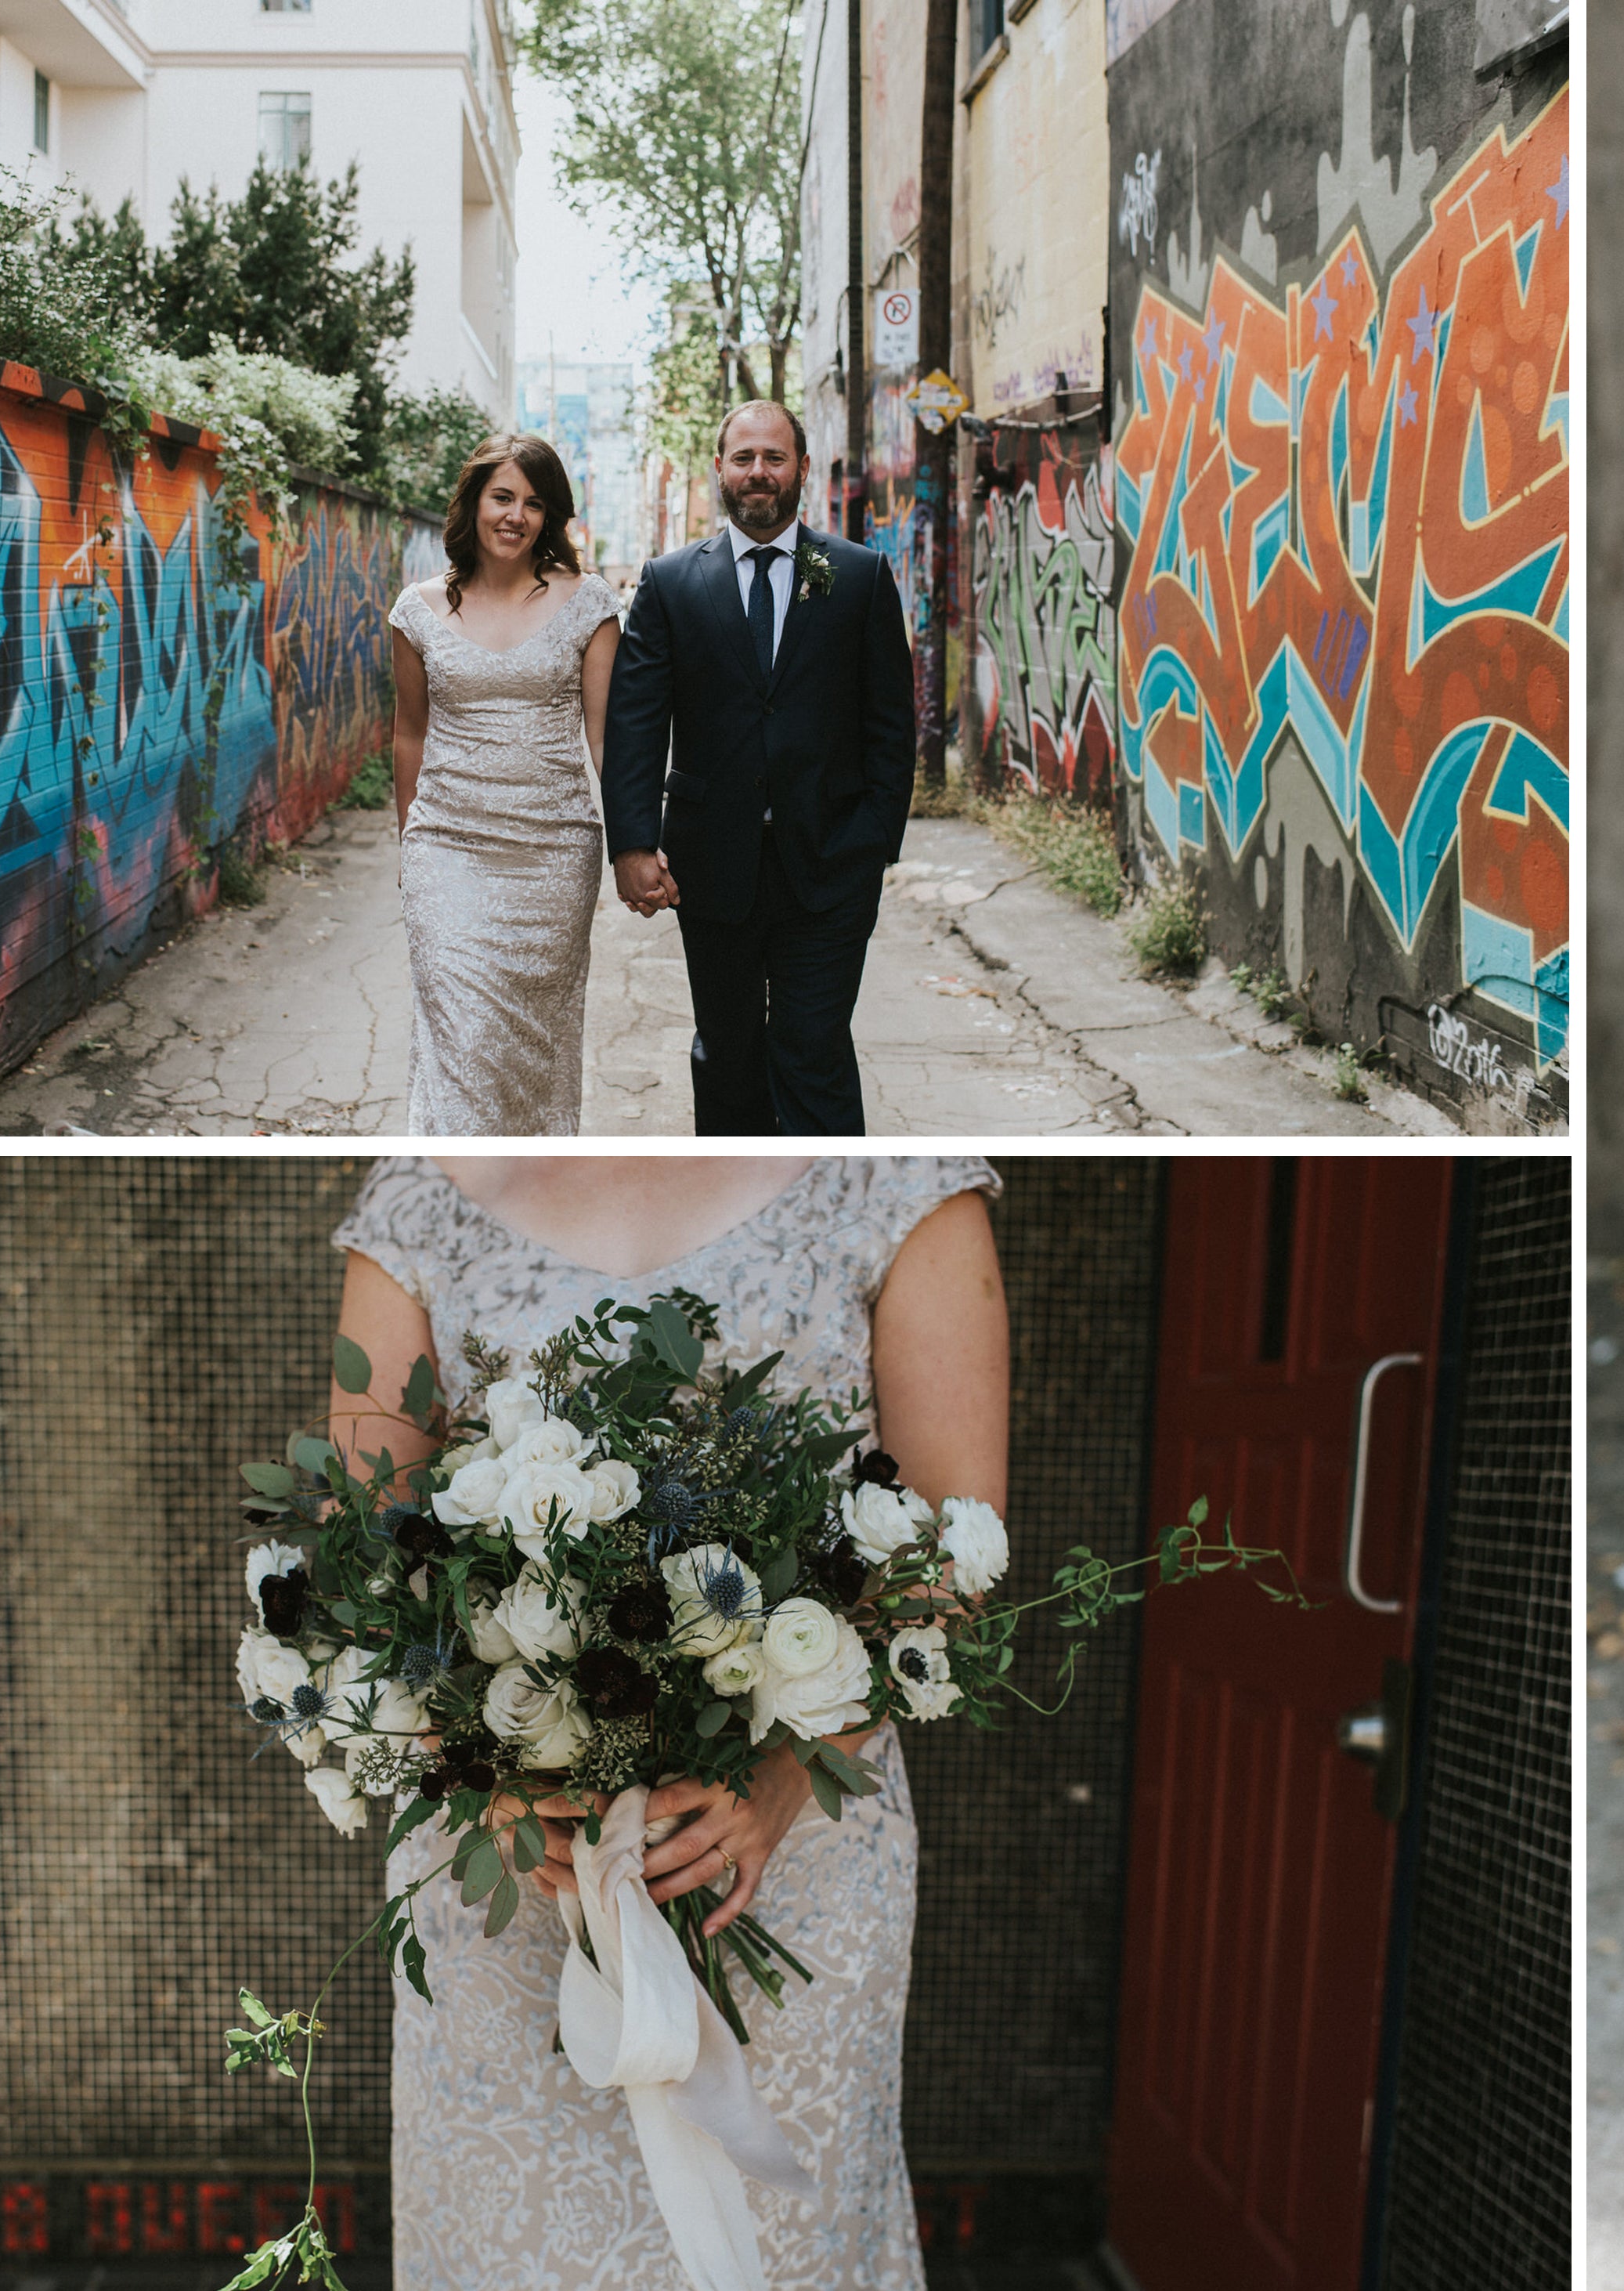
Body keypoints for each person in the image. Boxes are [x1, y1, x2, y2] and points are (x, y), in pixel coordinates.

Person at [329, 1153, 1007, 2289]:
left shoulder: (894, 1183)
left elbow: (948, 1551)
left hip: (792, 1856)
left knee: (779, 2241)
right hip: (511, 1881)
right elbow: (364, 1555)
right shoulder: (422, 1196)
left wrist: (791, 1773)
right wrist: (487, 1782)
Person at [601, 406, 918, 1134]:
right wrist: (632, 845)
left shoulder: (854, 575)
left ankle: (832, 1203)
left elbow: (890, 726)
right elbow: (637, 723)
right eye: (743, 457)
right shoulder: (672, 581)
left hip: (831, 865)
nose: (758, 473)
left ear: (802, 469)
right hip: (713, 866)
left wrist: (873, 841)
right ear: (719, 469)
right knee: (730, 1056)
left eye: (774, 458)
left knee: (813, 1049)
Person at [387, 435, 622, 1133]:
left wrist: (638, 844)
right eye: (502, 497)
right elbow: (409, 732)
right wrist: (411, 845)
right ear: (473, 503)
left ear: (550, 517)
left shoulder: (590, 604)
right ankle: (453, 1187)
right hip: (446, 851)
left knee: (528, 1052)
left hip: (552, 857)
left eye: (534, 502)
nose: (516, 515)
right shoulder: (417, 610)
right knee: (463, 1035)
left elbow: (605, 739)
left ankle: (535, 1185)